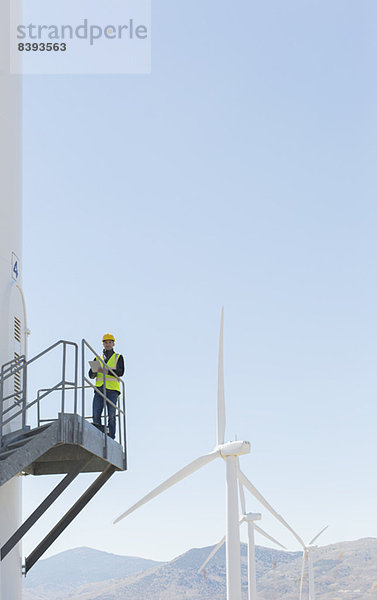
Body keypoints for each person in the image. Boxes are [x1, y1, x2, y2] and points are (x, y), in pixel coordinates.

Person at [89, 333, 125, 439]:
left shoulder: (118, 357)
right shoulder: (97, 358)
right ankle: (98, 435)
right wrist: (94, 370)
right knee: (96, 414)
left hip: (112, 390)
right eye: (106, 342)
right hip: (99, 389)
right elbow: (90, 375)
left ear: (113, 344)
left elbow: (120, 372)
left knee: (112, 416)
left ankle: (111, 436)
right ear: (103, 344)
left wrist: (106, 371)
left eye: (110, 342)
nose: (108, 344)